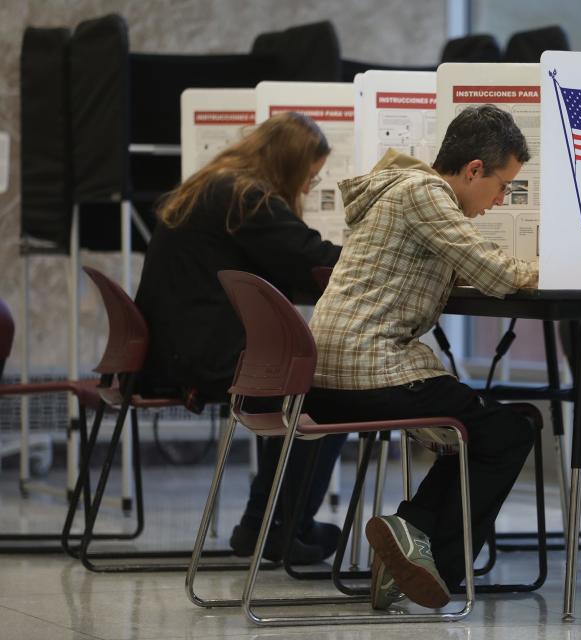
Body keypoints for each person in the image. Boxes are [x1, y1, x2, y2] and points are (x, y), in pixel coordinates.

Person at [304, 104, 540, 610]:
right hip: (370, 370)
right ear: (474, 169)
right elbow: (496, 274)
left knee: (488, 428)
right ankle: (428, 555)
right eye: (503, 186)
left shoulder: (402, 191)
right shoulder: (426, 192)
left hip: (326, 374)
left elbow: (456, 266)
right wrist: (568, 268)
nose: (501, 200)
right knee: (510, 431)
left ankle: (414, 545)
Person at [135, 112, 344, 564]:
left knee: (300, 386)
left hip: (175, 349)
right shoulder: (245, 197)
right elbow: (309, 256)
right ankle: (284, 528)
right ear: (287, 166)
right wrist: (383, 259)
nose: (308, 188)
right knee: (330, 392)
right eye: (308, 177)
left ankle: (262, 525)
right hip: (201, 355)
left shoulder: (216, 185)